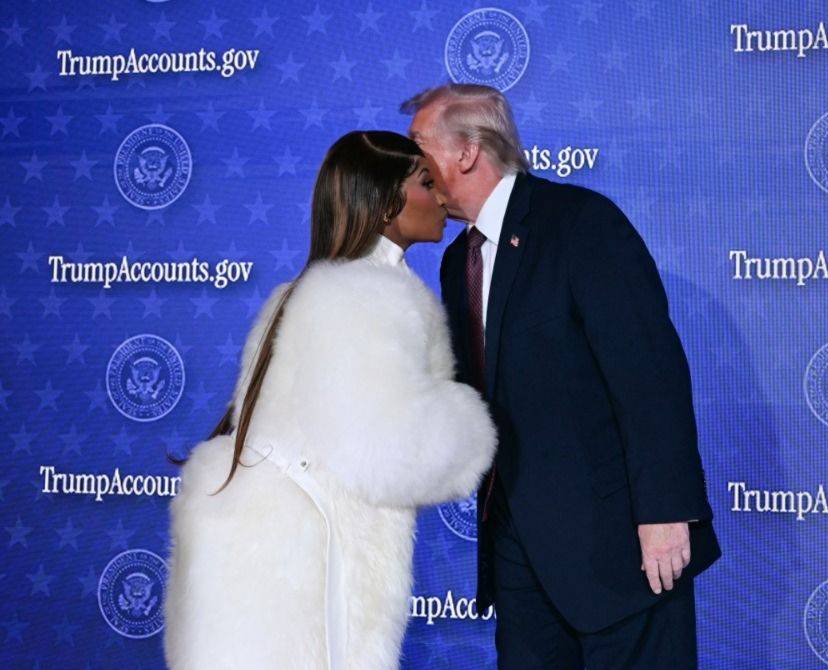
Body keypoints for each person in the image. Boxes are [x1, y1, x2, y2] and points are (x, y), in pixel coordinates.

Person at [401, 84, 721, 669]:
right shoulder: (456, 261)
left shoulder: (579, 224)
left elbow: (649, 375)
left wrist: (664, 513)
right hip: (519, 558)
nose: (410, 163)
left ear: (468, 152)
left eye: (418, 145)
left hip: (622, 550)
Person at [162, 130, 497, 670]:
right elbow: (393, 458)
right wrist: (475, 423)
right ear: (387, 201)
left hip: (259, 553)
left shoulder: (302, 291)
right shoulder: (372, 297)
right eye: (426, 182)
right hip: (301, 567)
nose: (441, 198)